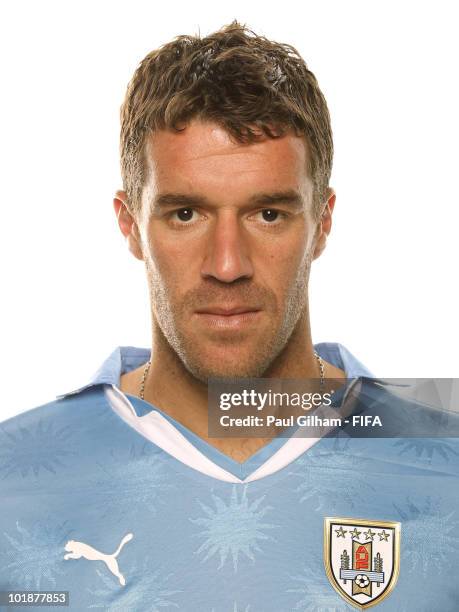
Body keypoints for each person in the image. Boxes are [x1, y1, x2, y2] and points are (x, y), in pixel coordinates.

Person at [1, 21, 458, 612]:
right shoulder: (13, 482)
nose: (226, 264)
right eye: (185, 213)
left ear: (321, 223)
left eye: (267, 214)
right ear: (129, 225)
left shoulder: (443, 461)